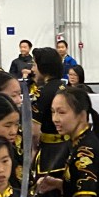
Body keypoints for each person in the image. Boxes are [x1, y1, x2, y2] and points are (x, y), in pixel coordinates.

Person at [30, 47, 70, 180]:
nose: (32, 69)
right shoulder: (69, 89)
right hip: (70, 150)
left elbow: (34, 133)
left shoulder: (41, 93)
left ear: (43, 67)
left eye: (34, 65)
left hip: (50, 153)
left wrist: (33, 151)